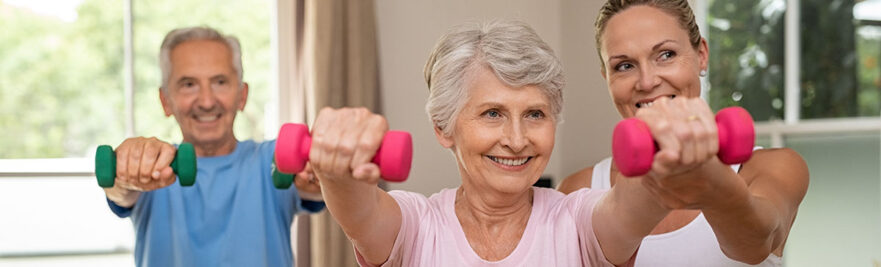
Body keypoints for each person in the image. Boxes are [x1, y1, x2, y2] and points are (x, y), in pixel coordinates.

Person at [308, 20, 679, 267]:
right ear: (443, 127)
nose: (517, 141)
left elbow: (635, 205)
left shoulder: (580, 221)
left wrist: (669, 152)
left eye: (535, 114)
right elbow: (360, 211)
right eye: (492, 113)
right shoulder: (415, 225)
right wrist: (337, 169)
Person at [557, 1, 810, 266]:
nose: (647, 81)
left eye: (666, 54)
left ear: (701, 54)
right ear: (606, 77)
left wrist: (712, 183)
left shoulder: (774, 166)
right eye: (624, 66)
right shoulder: (578, 189)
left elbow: (757, 243)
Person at [102, 26, 325, 266]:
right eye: (189, 84)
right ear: (165, 101)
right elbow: (120, 191)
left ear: (242, 95)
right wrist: (126, 173)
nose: (207, 102)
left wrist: (321, 174)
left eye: (220, 82)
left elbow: (318, 187)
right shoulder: (152, 166)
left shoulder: (273, 160)